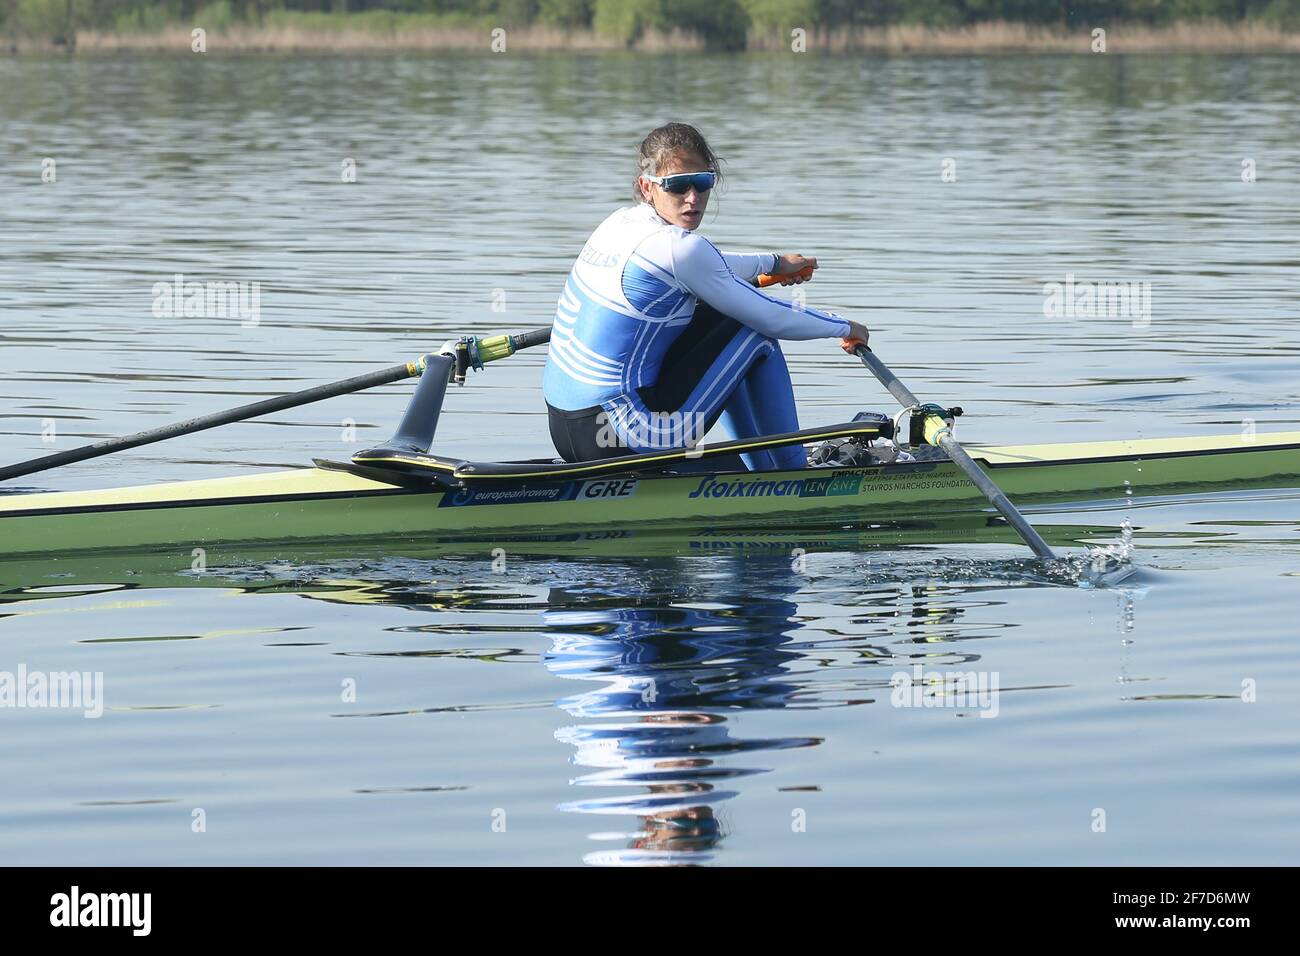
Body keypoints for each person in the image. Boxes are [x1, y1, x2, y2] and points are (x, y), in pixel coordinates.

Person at [543, 122, 869, 471]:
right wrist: (845, 326)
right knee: (754, 334)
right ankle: (791, 475)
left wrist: (776, 263)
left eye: (702, 183)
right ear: (647, 187)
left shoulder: (619, 224)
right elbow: (768, 316)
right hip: (620, 439)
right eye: (678, 185)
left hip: (568, 430)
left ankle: (768, 469)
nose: (693, 198)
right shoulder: (678, 250)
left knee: (722, 321)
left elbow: (710, 266)